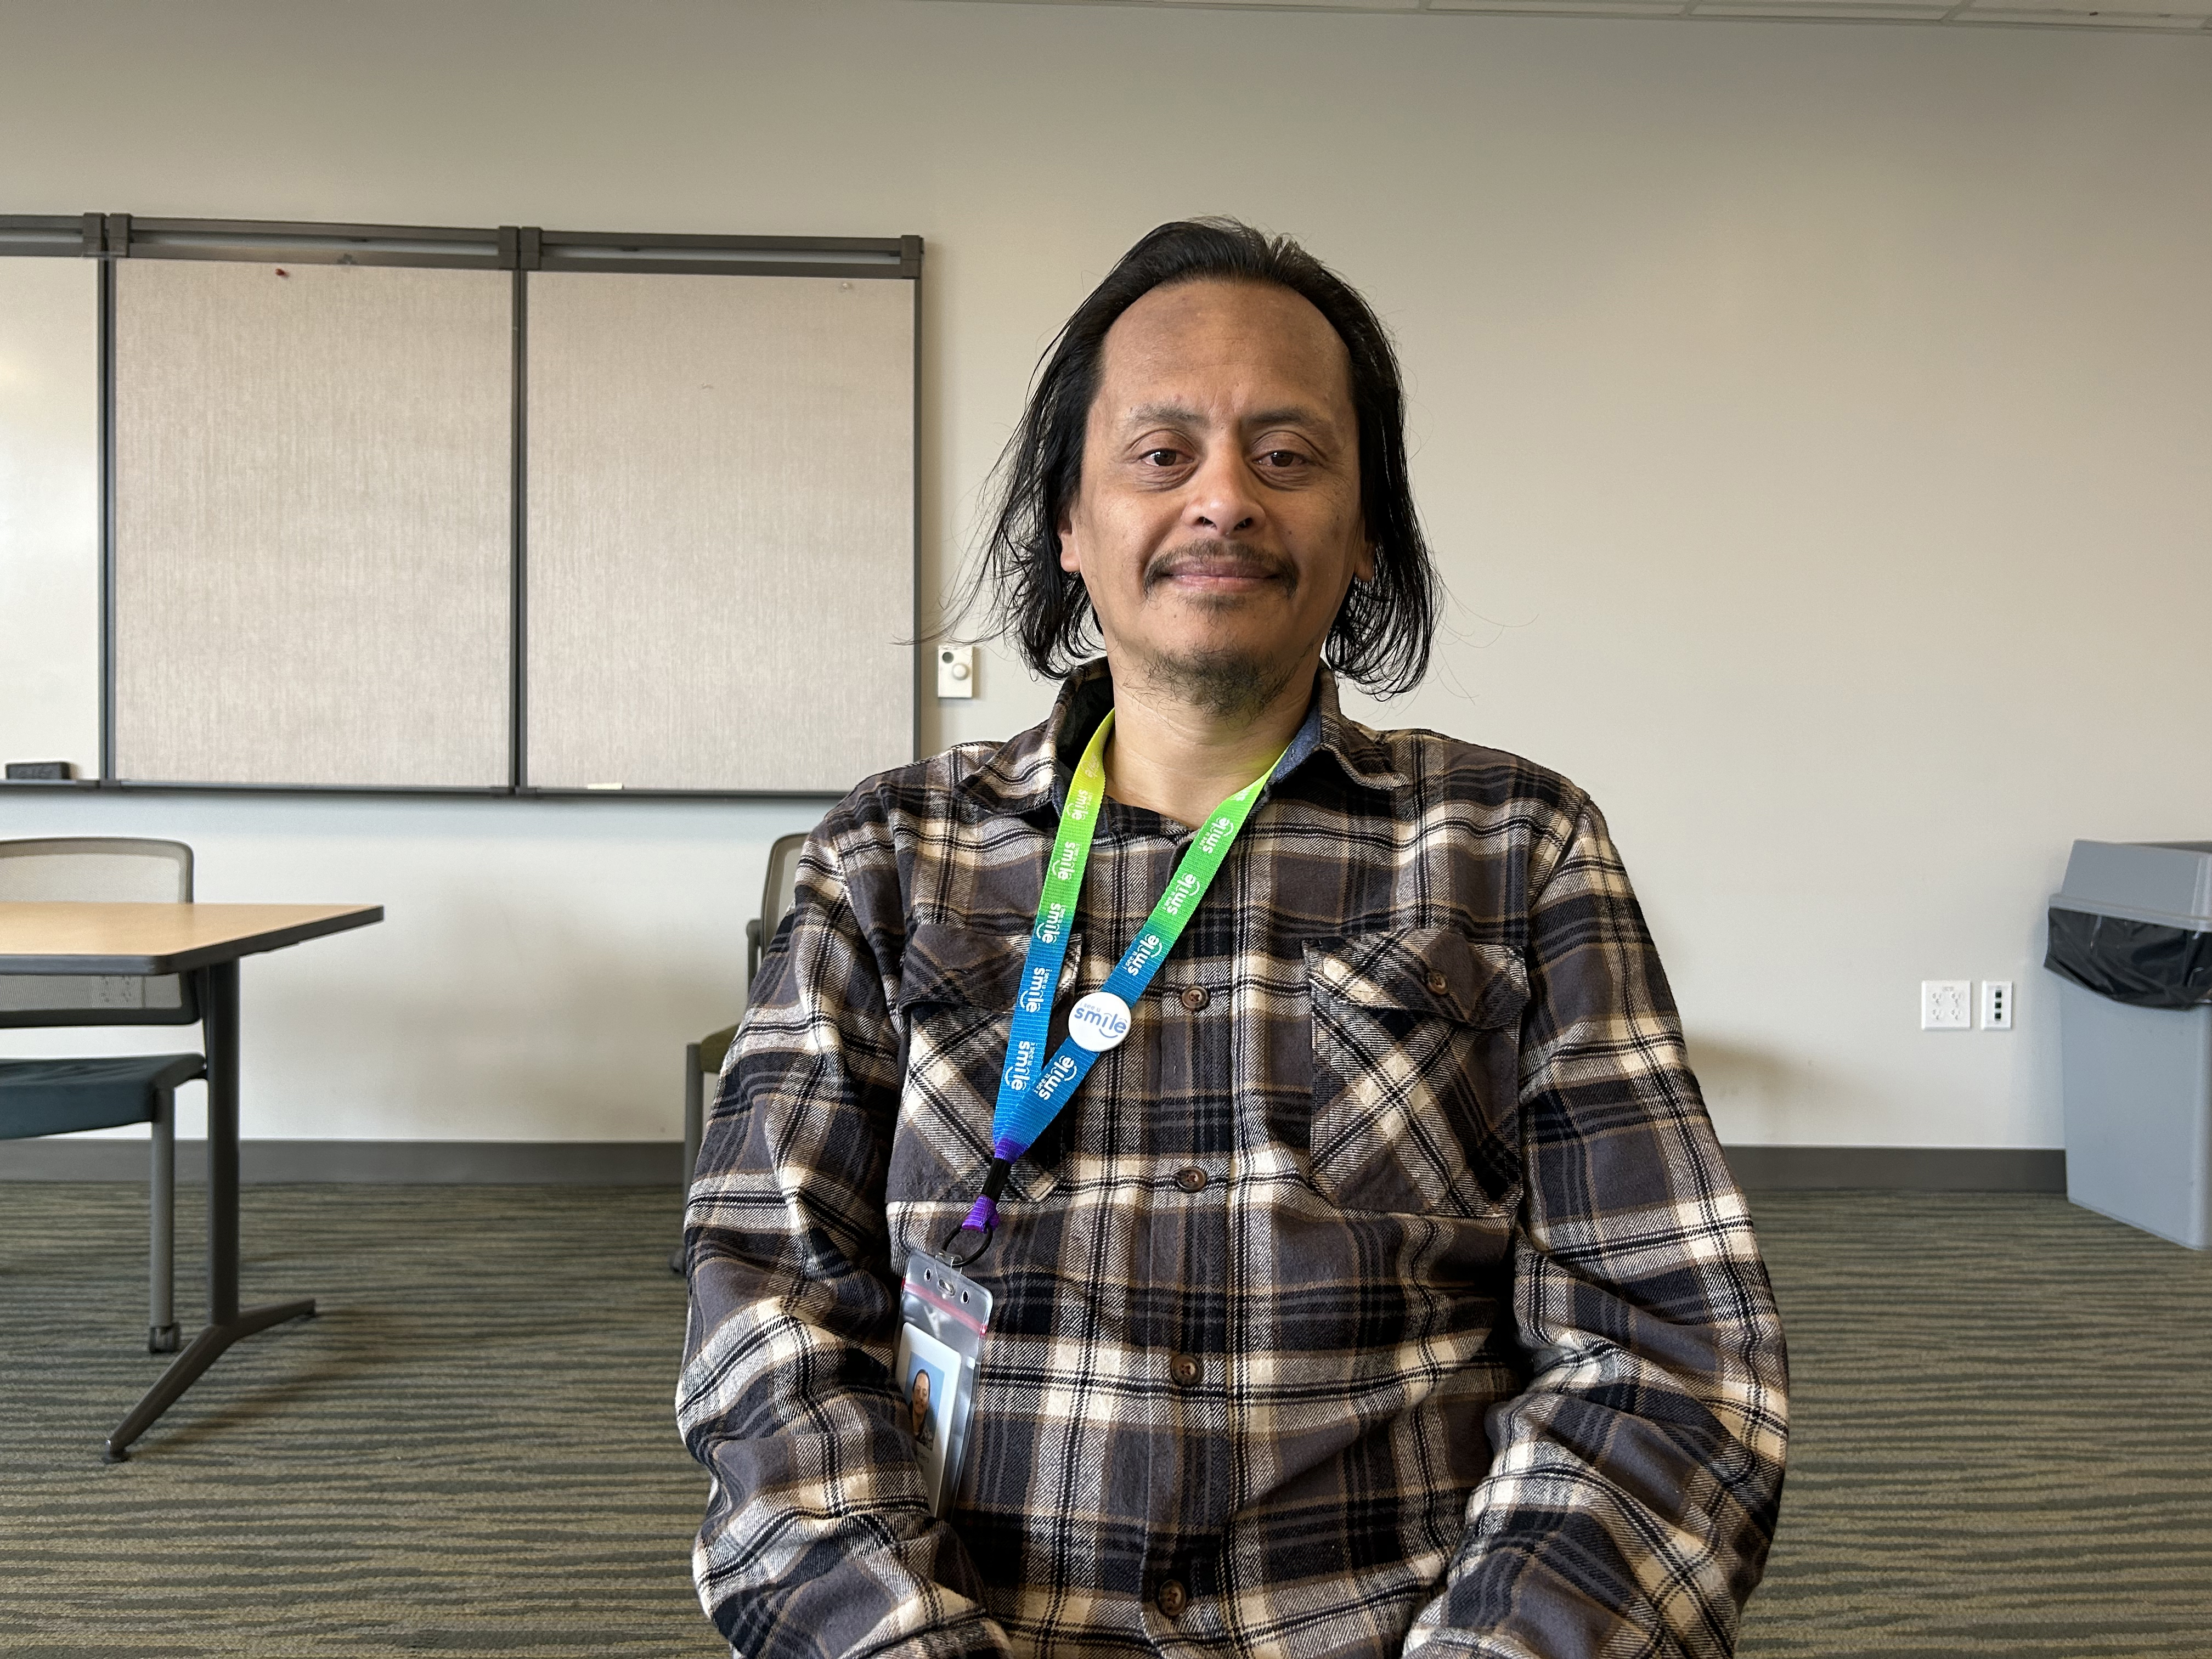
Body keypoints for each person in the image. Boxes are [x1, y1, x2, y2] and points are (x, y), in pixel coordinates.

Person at [679, 218, 1788, 1658]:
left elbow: (1668, 1351)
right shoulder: (891, 859)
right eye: (1161, 455)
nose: (1223, 500)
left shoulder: (1517, 846)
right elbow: (767, 1308)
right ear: (1068, 524)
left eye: (1287, 455)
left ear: (1365, 528)